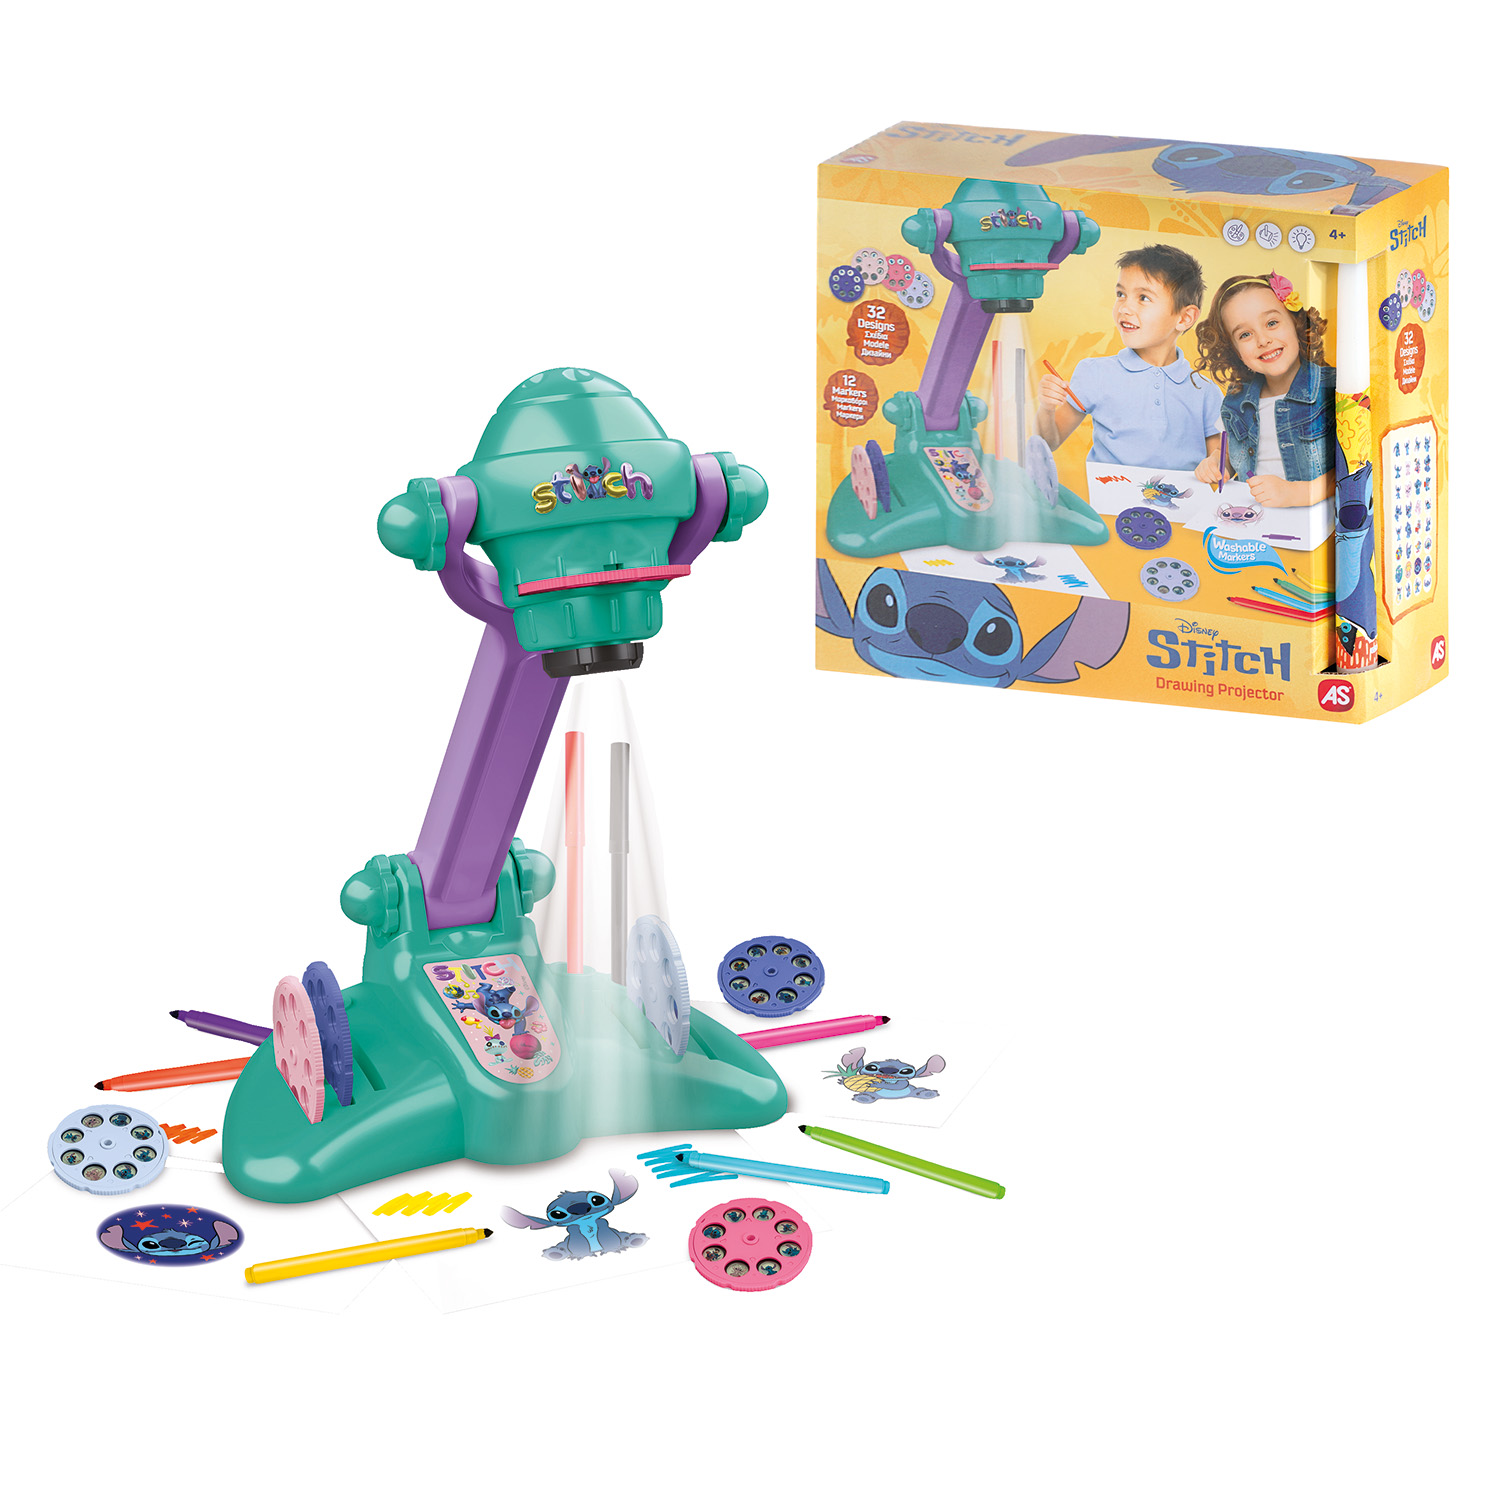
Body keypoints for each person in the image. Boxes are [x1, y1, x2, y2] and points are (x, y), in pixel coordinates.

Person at [1038, 244, 1220, 471]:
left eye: (1143, 298)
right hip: (1110, 493)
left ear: (1184, 318)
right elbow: (1050, 441)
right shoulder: (1095, 373)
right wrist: (1046, 408)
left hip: (1184, 494)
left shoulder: (1206, 392)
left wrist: (1217, 466)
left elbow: (1220, 463)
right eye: (1121, 295)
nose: (1124, 308)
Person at [1190, 273, 1334, 507]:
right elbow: (1230, 453)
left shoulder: (1333, 390)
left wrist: (1300, 493)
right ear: (1236, 352)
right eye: (1245, 335)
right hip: (1252, 515)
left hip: (1313, 521)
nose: (1263, 340)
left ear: (1296, 323)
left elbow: (1356, 465)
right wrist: (1217, 462)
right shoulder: (1235, 401)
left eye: (1272, 323)